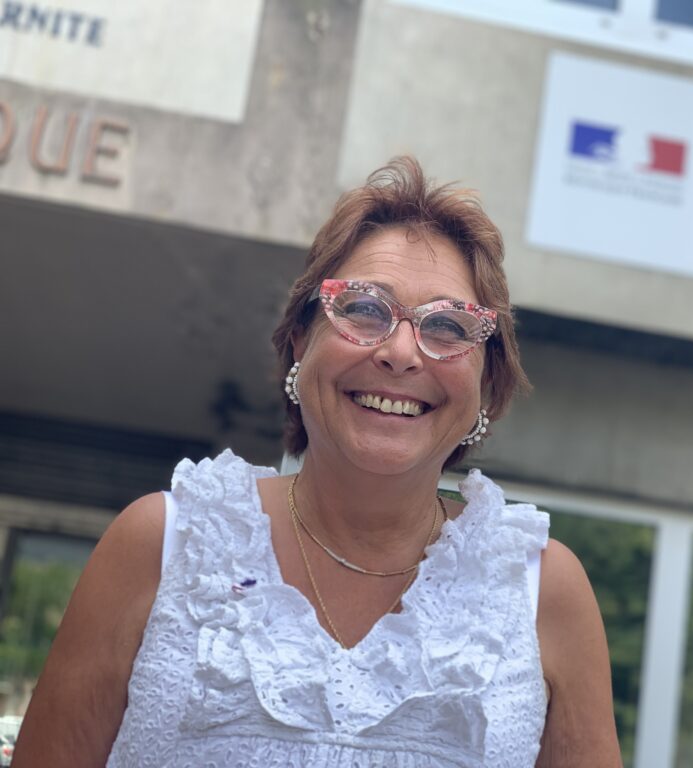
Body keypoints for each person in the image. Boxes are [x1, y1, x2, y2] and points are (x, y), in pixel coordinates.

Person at [13, 157, 621, 767]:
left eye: (447, 326)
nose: (401, 352)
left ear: (487, 379)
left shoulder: (542, 591)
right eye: (363, 309)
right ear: (301, 343)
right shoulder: (163, 545)